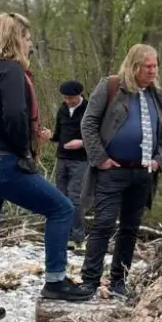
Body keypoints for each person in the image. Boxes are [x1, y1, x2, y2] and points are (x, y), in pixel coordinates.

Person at [0, 13, 91, 322]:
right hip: (1, 161)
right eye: (28, 38)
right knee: (61, 208)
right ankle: (56, 281)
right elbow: (16, 115)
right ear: (15, 39)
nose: (31, 44)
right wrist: (21, 152)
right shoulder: (12, 72)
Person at [77, 44, 162, 298]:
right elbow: (88, 123)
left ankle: (119, 282)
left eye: (155, 66)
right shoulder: (111, 87)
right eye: (148, 66)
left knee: (130, 228)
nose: (153, 71)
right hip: (112, 171)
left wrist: (158, 161)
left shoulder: (157, 96)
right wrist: (101, 159)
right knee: (104, 224)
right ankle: (90, 281)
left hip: (143, 174)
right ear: (134, 66)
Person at [51, 80, 89, 248]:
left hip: (80, 160)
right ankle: (62, 235)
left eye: (70, 98)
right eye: (65, 98)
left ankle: (78, 237)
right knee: (60, 197)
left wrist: (81, 143)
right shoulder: (62, 109)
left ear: (79, 95)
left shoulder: (89, 109)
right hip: (62, 158)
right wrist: (49, 136)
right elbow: (58, 134)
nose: (67, 101)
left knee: (75, 198)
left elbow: (99, 135)